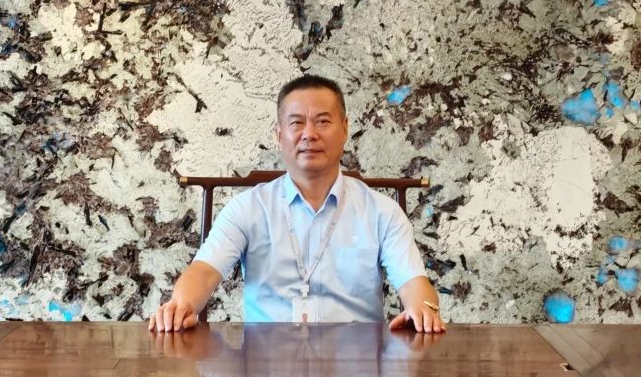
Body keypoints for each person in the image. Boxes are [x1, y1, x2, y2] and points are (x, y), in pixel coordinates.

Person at [149, 73, 446, 333]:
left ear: (345, 129)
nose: (309, 134)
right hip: (265, 365)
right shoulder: (248, 208)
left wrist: (423, 309)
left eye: (323, 121)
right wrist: (181, 304)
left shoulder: (381, 211)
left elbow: (413, 281)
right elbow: (204, 272)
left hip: (358, 366)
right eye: (296, 123)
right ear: (279, 134)